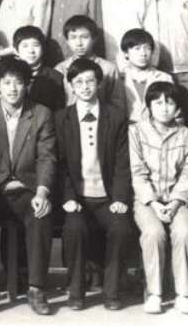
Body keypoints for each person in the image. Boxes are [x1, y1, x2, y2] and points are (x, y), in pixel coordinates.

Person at [0, 58, 57, 315]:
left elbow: (47, 158)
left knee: (41, 213)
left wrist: (42, 192)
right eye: (6, 83)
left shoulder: (41, 114)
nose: (13, 88)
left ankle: (36, 288)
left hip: (28, 189)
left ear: (27, 85)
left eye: (18, 82)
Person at [55, 57, 135, 311]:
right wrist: (69, 198)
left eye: (90, 81)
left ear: (99, 83)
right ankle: (76, 291)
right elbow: (60, 165)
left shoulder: (115, 116)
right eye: (79, 82)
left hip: (107, 197)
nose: (85, 87)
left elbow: (122, 164)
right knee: (74, 229)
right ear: (71, 86)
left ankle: (112, 291)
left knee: (121, 229)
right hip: (78, 199)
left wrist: (120, 198)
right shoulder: (61, 119)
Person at [128, 81, 188, 315]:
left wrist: (176, 202)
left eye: (170, 102)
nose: (164, 108)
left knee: (185, 232)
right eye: (158, 103)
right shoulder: (136, 132)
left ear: (178, 107)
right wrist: (154, 203)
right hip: (147, 201)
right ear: (148, 106)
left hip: (179, 200)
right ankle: (154, 293)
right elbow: (137, 173)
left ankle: (183, 294)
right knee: (153, 233)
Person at [54, 15, 126, 114]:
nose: (79, 43)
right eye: (73, 38)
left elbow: (118, 104)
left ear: (94, 38)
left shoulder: (109, 69)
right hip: (69, 120)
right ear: (67, 41)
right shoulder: (60, 69)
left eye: (84, 37)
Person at [119, 29, 176, 125]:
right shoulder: (118, 78)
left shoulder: (164, 78)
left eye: (147, 48)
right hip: (126, 130)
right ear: (126, 53)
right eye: (137, 48)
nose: (143, 53)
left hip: (157, 128)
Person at [17, 25, 67, 112]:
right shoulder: (12, 75)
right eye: (25, 46)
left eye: (36, 45)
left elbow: (60, 110)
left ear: (43, 48)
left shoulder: (56, 77)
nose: (31, 51)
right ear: (17, 50)